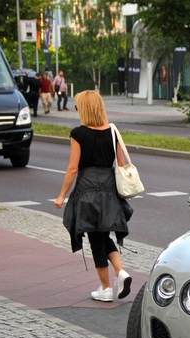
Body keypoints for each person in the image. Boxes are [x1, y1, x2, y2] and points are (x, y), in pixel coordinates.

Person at [54, 90, 133, 302]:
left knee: (94, 237)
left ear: (85, 110)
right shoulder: (113, 132)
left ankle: (106, 288)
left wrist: (62, 196)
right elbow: (122, 165)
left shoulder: (78, 134)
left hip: (87, 190)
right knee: (104, 234)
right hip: (109, 190)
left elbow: (73, 169)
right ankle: (121, 272)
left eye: (78, 107)